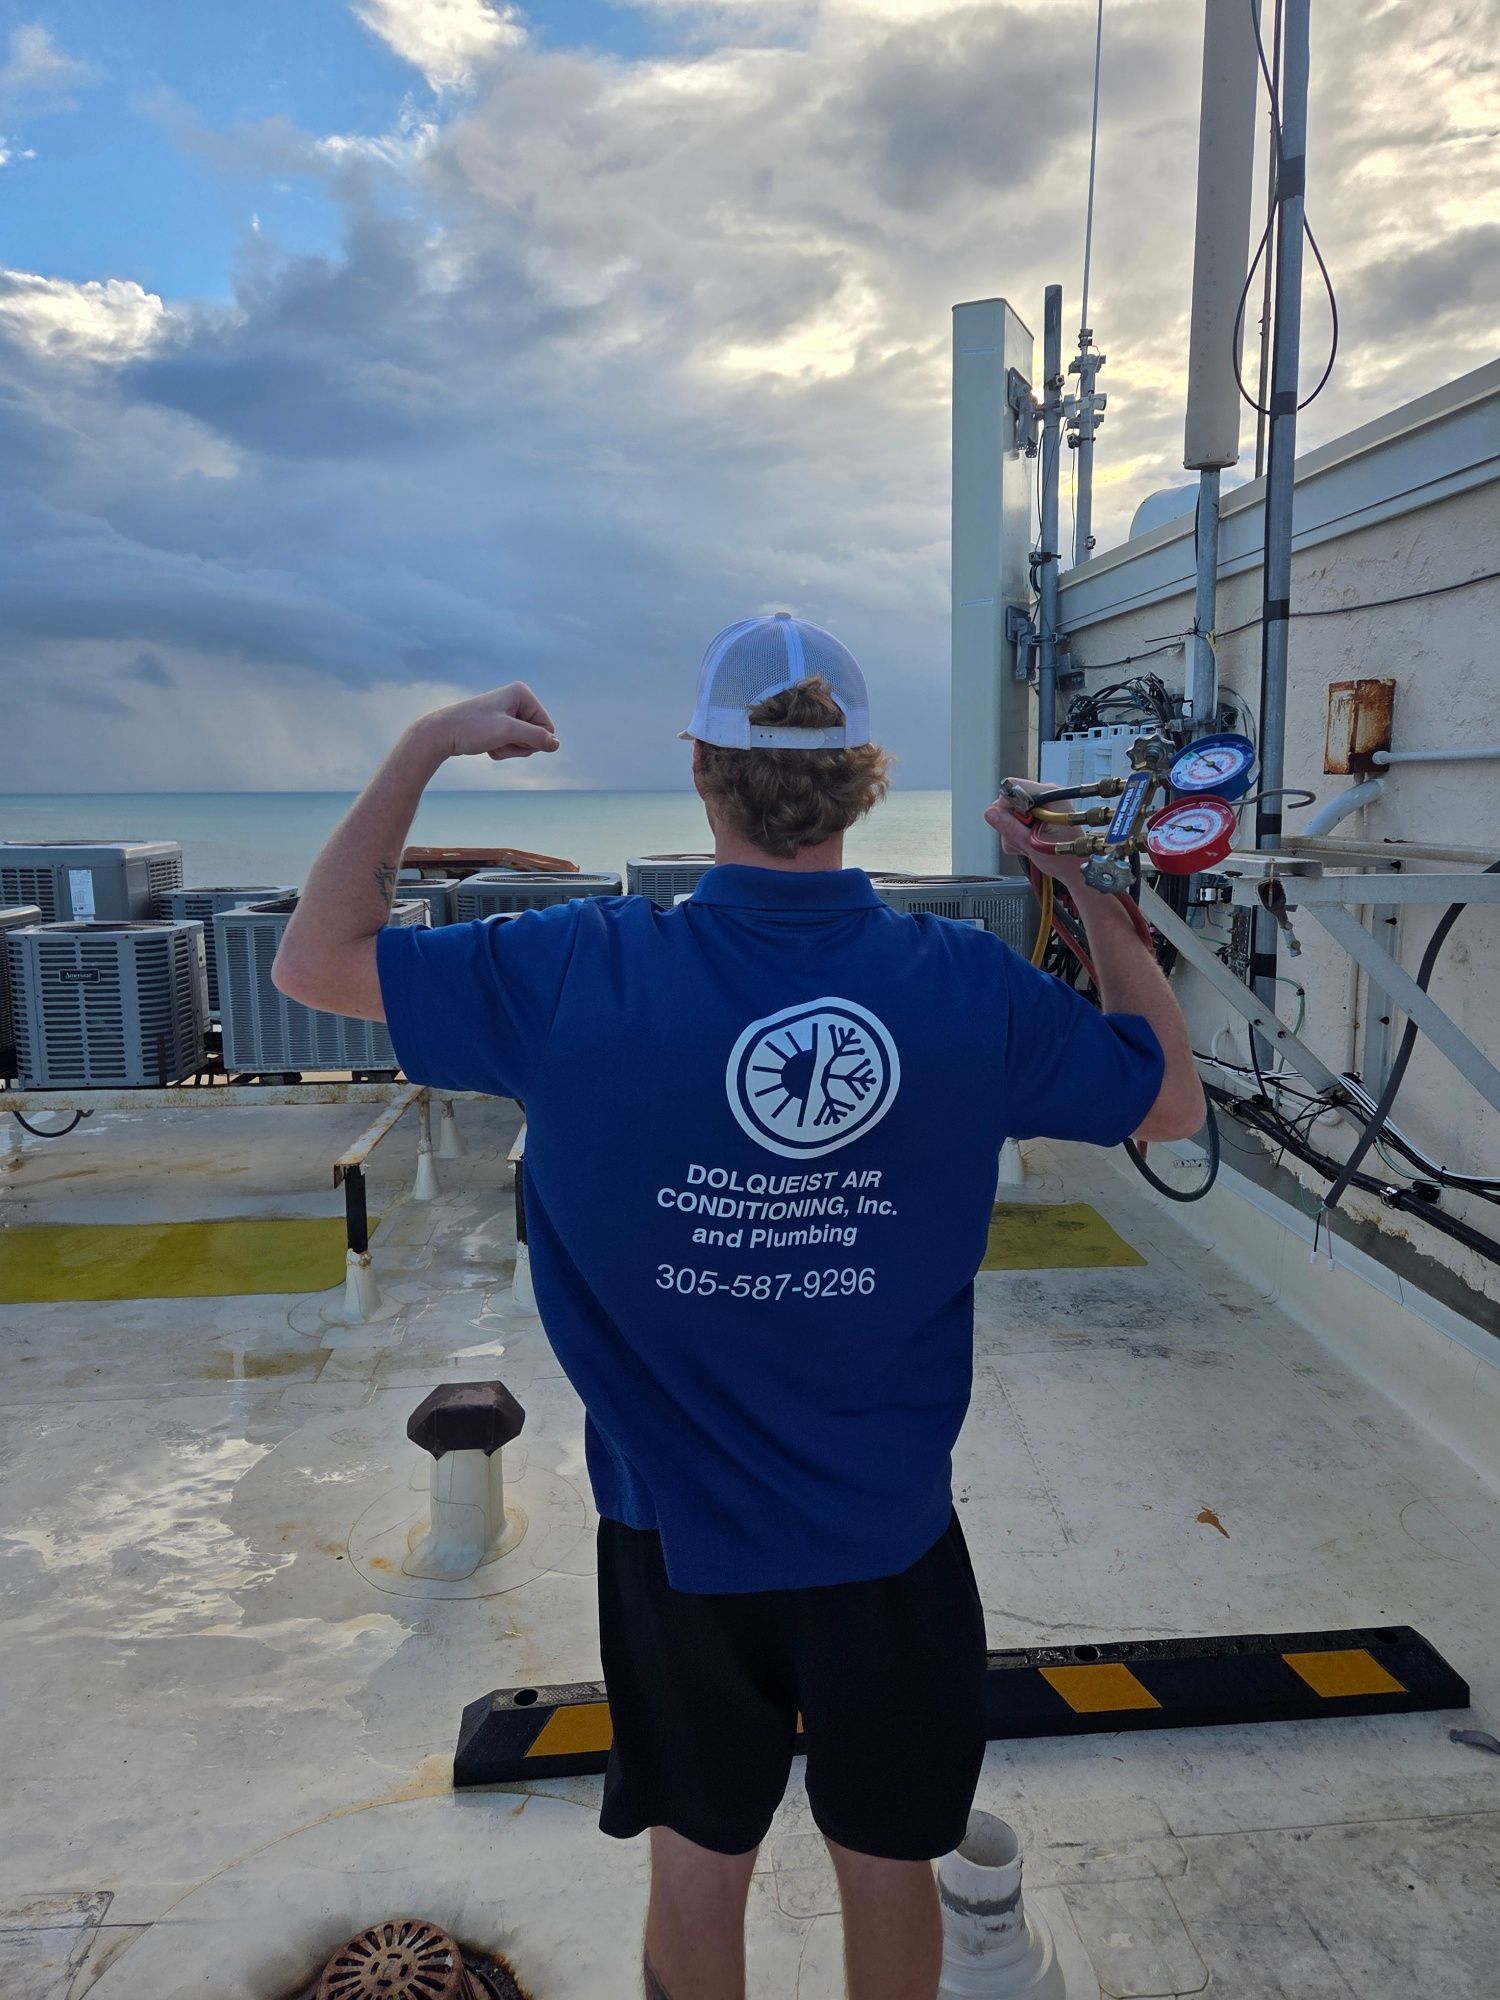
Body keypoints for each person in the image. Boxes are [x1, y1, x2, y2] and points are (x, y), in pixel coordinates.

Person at [273, 615, 1203, 2000]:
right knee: (888, 1862)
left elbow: (314, 961)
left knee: (697, 1867)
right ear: (864, 780)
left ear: (705, 777)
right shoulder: (961, 987)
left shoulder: (576, 969)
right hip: (888, 1536)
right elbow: (1167, 1100)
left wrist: (422, 747)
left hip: (674, 1547)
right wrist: (1098, 907)